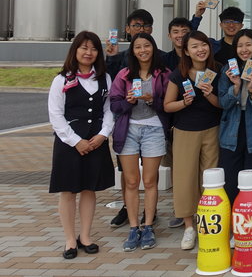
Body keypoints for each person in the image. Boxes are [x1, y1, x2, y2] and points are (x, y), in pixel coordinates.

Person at [48, 31, 114, 259]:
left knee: (89, 189)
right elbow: (55, 115)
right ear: (75, 50)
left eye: (94, 48)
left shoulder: (105, 78)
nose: (89, 52)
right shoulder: (61, 79)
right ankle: (69, 239)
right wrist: (75, 141)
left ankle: (85, 236)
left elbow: (109, 110)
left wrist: (103, 134)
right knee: (68, 190)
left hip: (96, 141)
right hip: (69, 143)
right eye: (84, 48)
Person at [109, 33, 171, 251]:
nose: (143, 50)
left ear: (153, 48)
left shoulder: (164, 74)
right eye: (138, 47)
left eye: (147, 46)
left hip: (154, 128)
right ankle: (133, 227)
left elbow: (169, 104)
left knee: (150, 180)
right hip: (128, 129)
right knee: (132, 181)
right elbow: (114, 104)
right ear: (132, 51)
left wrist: (153, 100)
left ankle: (148, 226)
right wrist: (128, 102)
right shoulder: (124, 75)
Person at [163, 31, 221, 250]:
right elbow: (168, 105)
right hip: (185, 130)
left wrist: (209, 94)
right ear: (186, 51)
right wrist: (184, 103)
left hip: (212, 129)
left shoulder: (218, 70)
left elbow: (223, 104)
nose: (200, 50)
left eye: (203, 45)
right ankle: (189, 226)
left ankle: (209, 220)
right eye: (194, 46)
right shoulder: (179, 74)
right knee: (185, 178)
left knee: (211, 176)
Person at [219, 29, 252, 202]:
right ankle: (233, 214)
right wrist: (235, 87)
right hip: (231, 130)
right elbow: (223, 103)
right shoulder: (227, 70)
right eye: (240, 46)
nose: (244, 50)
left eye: (248, 45)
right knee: (230, 179)